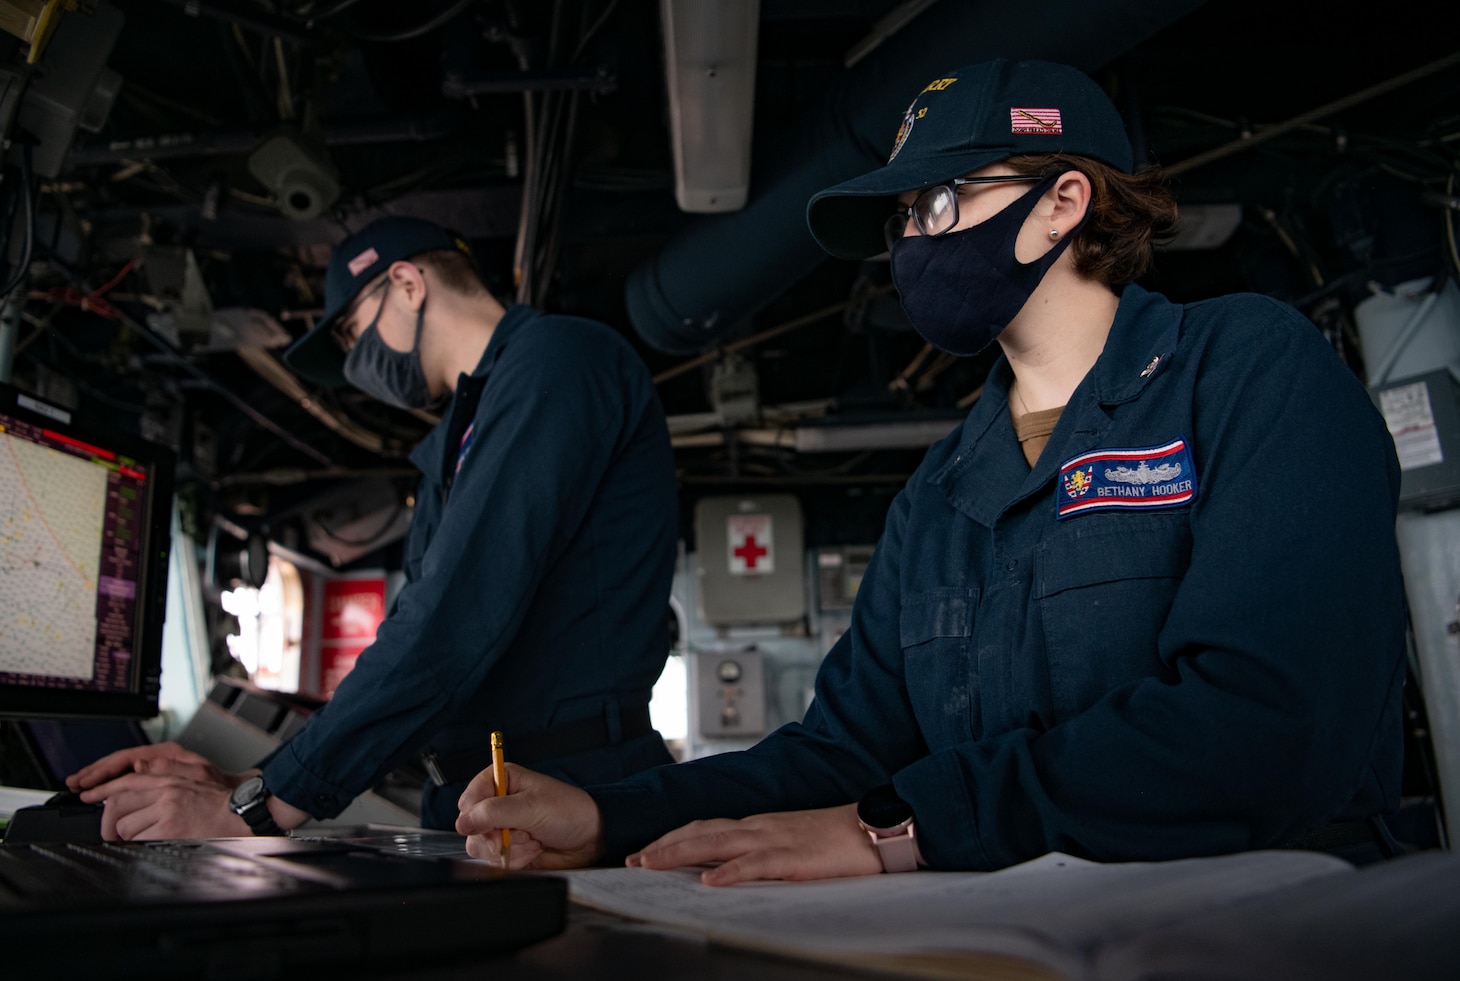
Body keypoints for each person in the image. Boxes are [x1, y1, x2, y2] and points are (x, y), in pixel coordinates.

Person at [454, 59, 1407, 883]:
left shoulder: (1246, 370)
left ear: (1064, 202)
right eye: (903, 219)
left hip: (1267, 927)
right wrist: (610, 813)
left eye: (940, 203)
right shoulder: (944, 488)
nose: (912, 243)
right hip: (1011, 938)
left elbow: (1268, 723)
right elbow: (844, 750)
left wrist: (904, 830)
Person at [67, 217, 679, 838]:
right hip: (482, 800)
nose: (358, 367)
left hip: (572, 792)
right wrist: (255, 780)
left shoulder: (557, 362)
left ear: (408, 283)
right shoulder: (465, 435)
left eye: (354, 333)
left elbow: (452, 617)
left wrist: (261, 809)